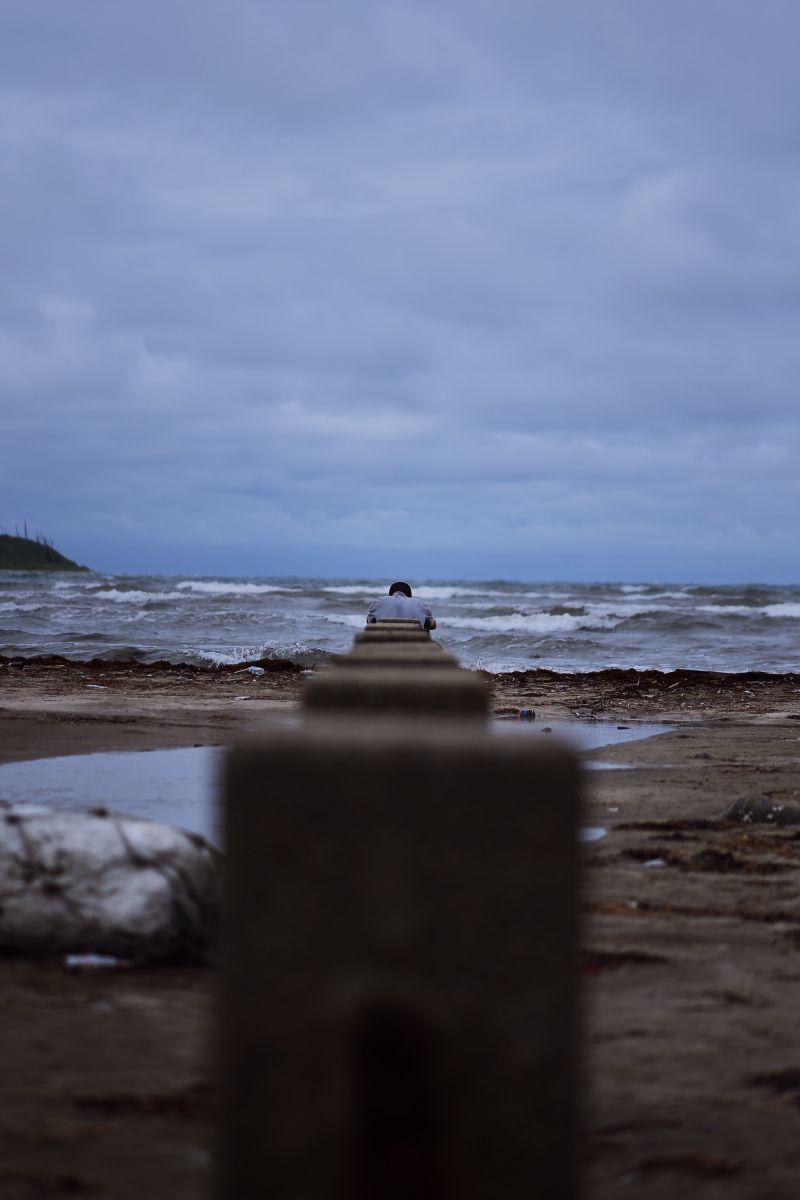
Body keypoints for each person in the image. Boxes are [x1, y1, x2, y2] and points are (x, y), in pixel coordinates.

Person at [366, 581, 437, 630]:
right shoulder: (420, 604)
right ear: (409, 596)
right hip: (414, 645)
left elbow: (369, 622)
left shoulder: (379, 602)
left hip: (384, 644)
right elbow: (433, 626)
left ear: (390, 595)